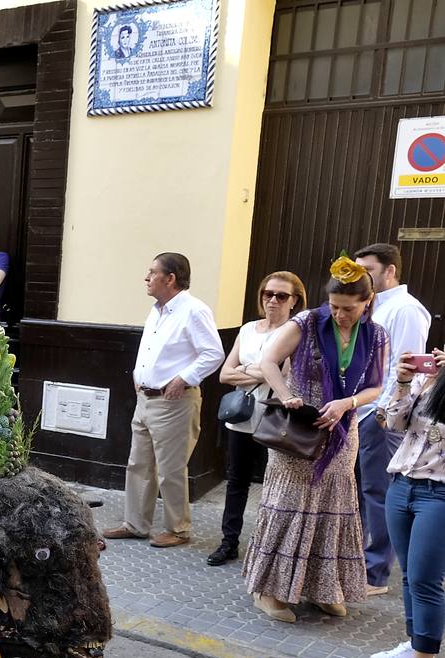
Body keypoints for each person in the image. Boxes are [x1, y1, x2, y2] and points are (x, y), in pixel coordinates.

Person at [244, 255, 389, 623]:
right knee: (289, 507)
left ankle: (323, 588)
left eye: (349, 309)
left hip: (342, 433)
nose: (340, 315)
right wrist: (285, 393)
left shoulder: (375, 335)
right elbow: (269, 361)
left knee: (333, 510)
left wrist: (347, 403)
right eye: (335, 307)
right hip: (299, 430)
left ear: (366, 303)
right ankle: (270, 590)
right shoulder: (306, 323)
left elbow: (376, 386)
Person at [102, 253, 223, 548]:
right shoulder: (157, 310)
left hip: (174, 402)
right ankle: (136, 523)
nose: (146, 277)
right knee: (138, 464)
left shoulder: (194, 310)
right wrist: (138, 375)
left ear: (171, 278)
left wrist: (183, 379)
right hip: (146, 398)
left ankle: (178, 529)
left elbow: (213, 353)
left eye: (152, 272)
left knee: (170, 468)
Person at [208, 272, 304, 566]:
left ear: (294, 301)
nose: (273, 300)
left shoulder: (295, 331)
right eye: (268, 293)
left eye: (281, 295)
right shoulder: (248, 329)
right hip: (242, 417)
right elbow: (225, 374)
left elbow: (284, 374)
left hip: (276, 419)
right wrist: (262, 369)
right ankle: (229, 542)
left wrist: (249, 369)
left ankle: (268, 548)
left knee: (274, 484)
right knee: (236, 481)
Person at [352, 243, 431, 596]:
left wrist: (382, 413)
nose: (361, 277)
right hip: (359, 410)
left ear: (390, 271)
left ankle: (376, 573)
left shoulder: (406, 309)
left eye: (367, 270)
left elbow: (406, 368)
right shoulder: (372, 306)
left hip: (379, 416)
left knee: (377, 493)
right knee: (356, 490)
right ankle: (355, 562)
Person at [371, 347, 445, 658]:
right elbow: (392, 422)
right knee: (409, 577)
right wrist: (403, 381)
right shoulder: (427, 379)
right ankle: (415, 644)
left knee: (426, 578)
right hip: (402, 484)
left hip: (440, 493)